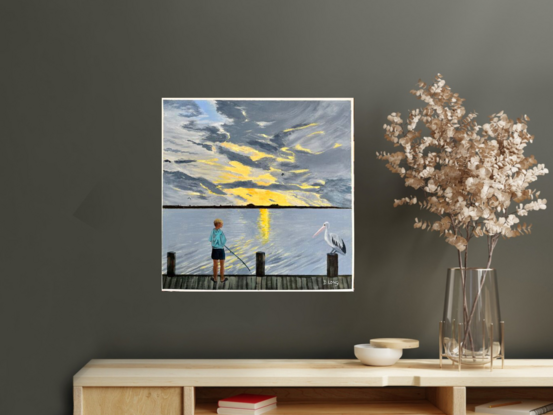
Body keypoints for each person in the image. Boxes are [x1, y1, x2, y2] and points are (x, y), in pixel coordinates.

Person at [209, 218, 227, 284]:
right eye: (221, 223)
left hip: (215, 249)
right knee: (222, 265)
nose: (222, 225)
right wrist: (221, 244)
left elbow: (210, 239)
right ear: (218, 224)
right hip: (221, 250)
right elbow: (224, 240)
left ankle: (215, 279)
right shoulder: (221, 232)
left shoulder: (212, 231)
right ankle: (222, 279)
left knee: (215, 265)